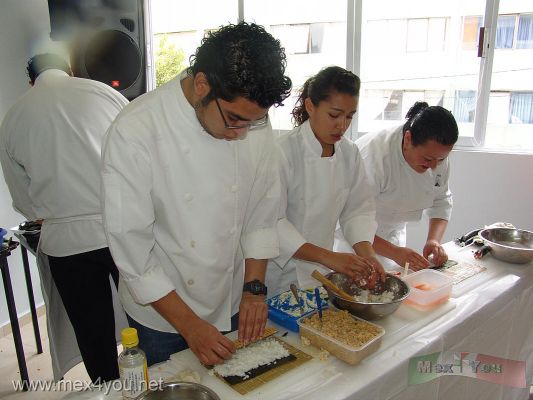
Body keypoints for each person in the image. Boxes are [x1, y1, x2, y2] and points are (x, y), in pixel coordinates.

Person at [101, 22, 292, 367]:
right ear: (203, 84)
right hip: (162, 316)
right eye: (235, 120)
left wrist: (253, 290)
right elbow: (134, 254)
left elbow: (261, 218)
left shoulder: (251, 123)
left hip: (233, 299)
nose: (242, 134)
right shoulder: (135, 131)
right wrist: (190, 325)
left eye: (254, 123)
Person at [0, 53, 129, 382]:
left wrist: (46, 212)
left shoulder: (13, 117)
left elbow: (23, 198)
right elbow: (136, 152)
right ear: (70, 70)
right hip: (121, 230)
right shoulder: (103, 93)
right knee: (142, 317)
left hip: (66, 245)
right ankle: (154, 382)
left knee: (92, 330)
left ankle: (109, 388)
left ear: (30, 80)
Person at [264, 66, 385, 298]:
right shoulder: (283, 152)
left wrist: (368, 254)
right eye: (334, 115)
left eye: (350, 116)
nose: (342, 125)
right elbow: (273, 222)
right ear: (310, 106)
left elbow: (357, 211)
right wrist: (329, 257)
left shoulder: (349, 153)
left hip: (324, 270)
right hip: (281, 274)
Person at [355, 101, 458, 271]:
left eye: (440, 160)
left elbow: (441, 200)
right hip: (354, 244)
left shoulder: (436, 155)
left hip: (394, 238)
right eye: (427, 159)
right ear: (408, 139)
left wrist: (433, 240)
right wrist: (394, 252)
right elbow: (351, 221)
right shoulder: (375, 158)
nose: (434, 166)